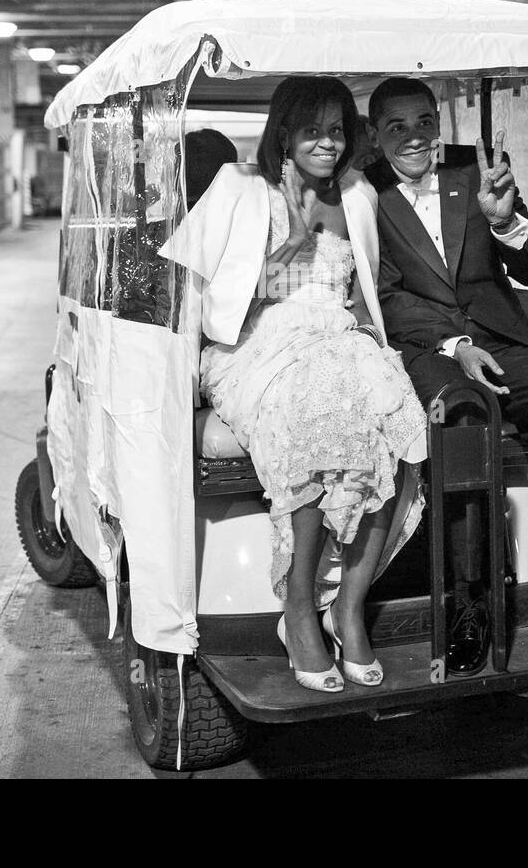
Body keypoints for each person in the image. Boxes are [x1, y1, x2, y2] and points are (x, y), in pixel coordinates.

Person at [162, 76, 427, 694]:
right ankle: (300, 612)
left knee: (401, 419)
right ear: (283, 132)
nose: (328, 144)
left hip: (336, 335)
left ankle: (349, 607)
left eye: (337, 131)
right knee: (312, 415)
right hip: (253, 343)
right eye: (313, 131)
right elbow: (192, 296)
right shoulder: (238, 186)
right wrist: (291, 246)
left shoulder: (357, 193)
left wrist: (369, 337)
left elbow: (362, 291)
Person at [365, 77, 528, 673]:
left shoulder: (474, 174)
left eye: (423, 122)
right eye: (396, 127)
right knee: (462, 418)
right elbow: (385, 298)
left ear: (437, 123)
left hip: (505, 340)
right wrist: (455, 344)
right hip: (429, 350)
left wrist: (504, 223)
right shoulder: (363, 193)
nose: (413, 137)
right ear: (374, 136)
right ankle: (471, 602)